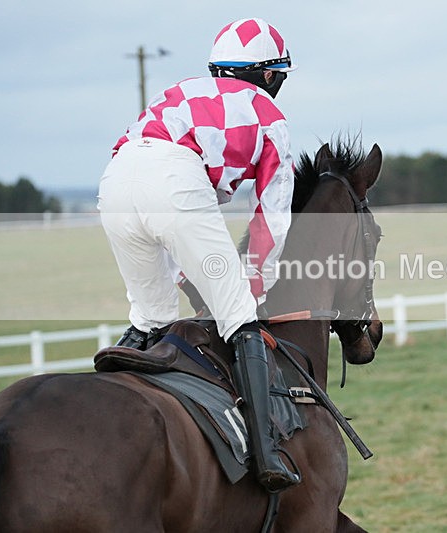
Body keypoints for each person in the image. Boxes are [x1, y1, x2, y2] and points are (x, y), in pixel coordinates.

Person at [97, 17, 299, 492]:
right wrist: (253, 285)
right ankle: (268, 452)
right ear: (268, 75)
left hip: (116, 179)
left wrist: (191, 275)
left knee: (151, 317)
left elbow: (165, 203)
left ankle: (103, 398)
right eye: (281, 79)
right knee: (239, 316)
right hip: (176, 180)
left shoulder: (180, 91)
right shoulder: (270, 118)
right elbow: (272, 214)